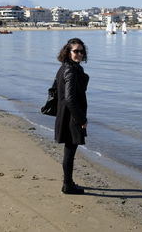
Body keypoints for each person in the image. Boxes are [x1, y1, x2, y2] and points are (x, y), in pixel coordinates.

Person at [54, 38, 89, 194]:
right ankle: (68, 185)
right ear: (68, 52)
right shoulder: (70, 70)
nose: (79, 54)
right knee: (70, 151)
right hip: (71, 117)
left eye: (81, 51)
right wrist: (81, 119)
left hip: (66, 114)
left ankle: (68, 183)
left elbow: (56, 89)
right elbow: (70, 98)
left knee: (70, 150)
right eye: (76, 51)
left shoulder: (65, 68)